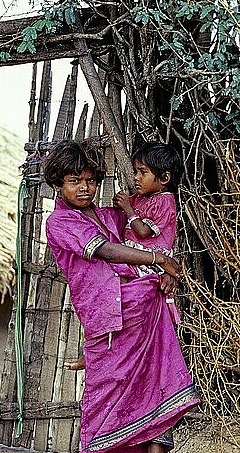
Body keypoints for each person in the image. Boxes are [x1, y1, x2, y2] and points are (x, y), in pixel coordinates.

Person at [43, 139, 200, 453]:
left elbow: (149, 234)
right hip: (103, 322)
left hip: (143, 310)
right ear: (57, 185)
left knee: (154, 386)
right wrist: (158, 259)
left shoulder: (109, 215)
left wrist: (166, 273)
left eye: (90, 180)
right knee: (97, 398)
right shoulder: (60, 222)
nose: (83, 188)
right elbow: (106, 252)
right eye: (73, 181)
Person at [66, 141, 183, 371]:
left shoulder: (164, 202)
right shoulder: (140, 199)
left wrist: (128, 209)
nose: (136, 178)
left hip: (147, 265)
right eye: (136, 171)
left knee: (120, 303)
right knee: (105, 299)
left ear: (165, 177)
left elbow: (142, 231)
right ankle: (94, 350)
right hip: (135, 263)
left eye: (142, 172)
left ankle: (97, 351)